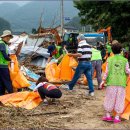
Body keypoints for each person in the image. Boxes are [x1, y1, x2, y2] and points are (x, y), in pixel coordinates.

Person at [99, 43, 130, 123]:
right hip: (121, 83)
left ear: (112, 50)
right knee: (120, 99)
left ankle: (108, 116)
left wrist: (102, 81)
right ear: (121, 51)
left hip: (111, 82)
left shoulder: (110, 59)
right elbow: (127, 71)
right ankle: (116, 117)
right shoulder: (125, 60)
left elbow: (106, 72)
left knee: (109, 98)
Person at [0, 30, 14, 95]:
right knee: (7, 80)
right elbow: (4, 55)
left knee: (1, 81)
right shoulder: (2, 43)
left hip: (2, 65)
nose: (8, 38)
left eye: (9, 37)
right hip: (2, 66)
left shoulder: (4, 44)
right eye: (7, 37)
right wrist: (10, 60)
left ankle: (1, 96)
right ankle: (12, 94)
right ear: (3, 37)